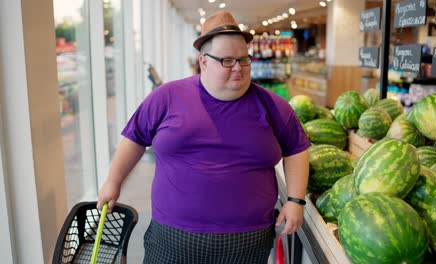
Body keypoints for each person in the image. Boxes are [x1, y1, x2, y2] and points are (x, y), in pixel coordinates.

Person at [97, 10, 310, 264]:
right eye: (228, 61)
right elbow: (134, 139)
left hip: (247, 241)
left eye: (244, 60)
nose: (239, 69)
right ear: (204, 61)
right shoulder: (167, 97)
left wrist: (296, 200)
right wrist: (113, 181)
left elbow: (297, 148)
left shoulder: (273, 105)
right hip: (172, 237)